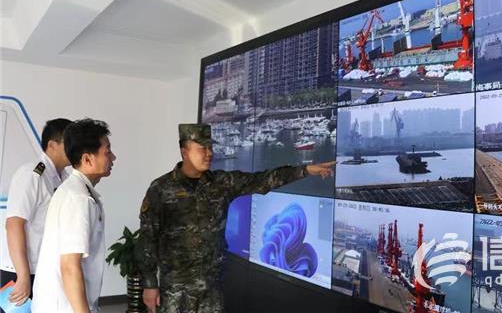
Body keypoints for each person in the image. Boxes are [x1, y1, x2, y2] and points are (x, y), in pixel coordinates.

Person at [136, 123, 335, 313]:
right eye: (202, 148)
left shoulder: (221, 183)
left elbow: (263, 179)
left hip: (211, 287)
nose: (209, 153)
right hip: (176, 289)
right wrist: (150, 284)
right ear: (184, 152)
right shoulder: (161, 189)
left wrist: (305, 170)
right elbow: (147, 237)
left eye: (210, 147)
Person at [31, 119, 116, 313]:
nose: (113, 157)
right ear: (87, 159)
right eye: (107, 151)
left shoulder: (75, 190)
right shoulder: (78, 198)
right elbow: (70, 266)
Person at [1, 118, 72, 312]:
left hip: (45, 269)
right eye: (70, 142)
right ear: (52, 145)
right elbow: (14, 224)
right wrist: (23, 276)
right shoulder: (31, 175)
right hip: (22, 270)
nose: (76, 148)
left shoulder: (65, 179)